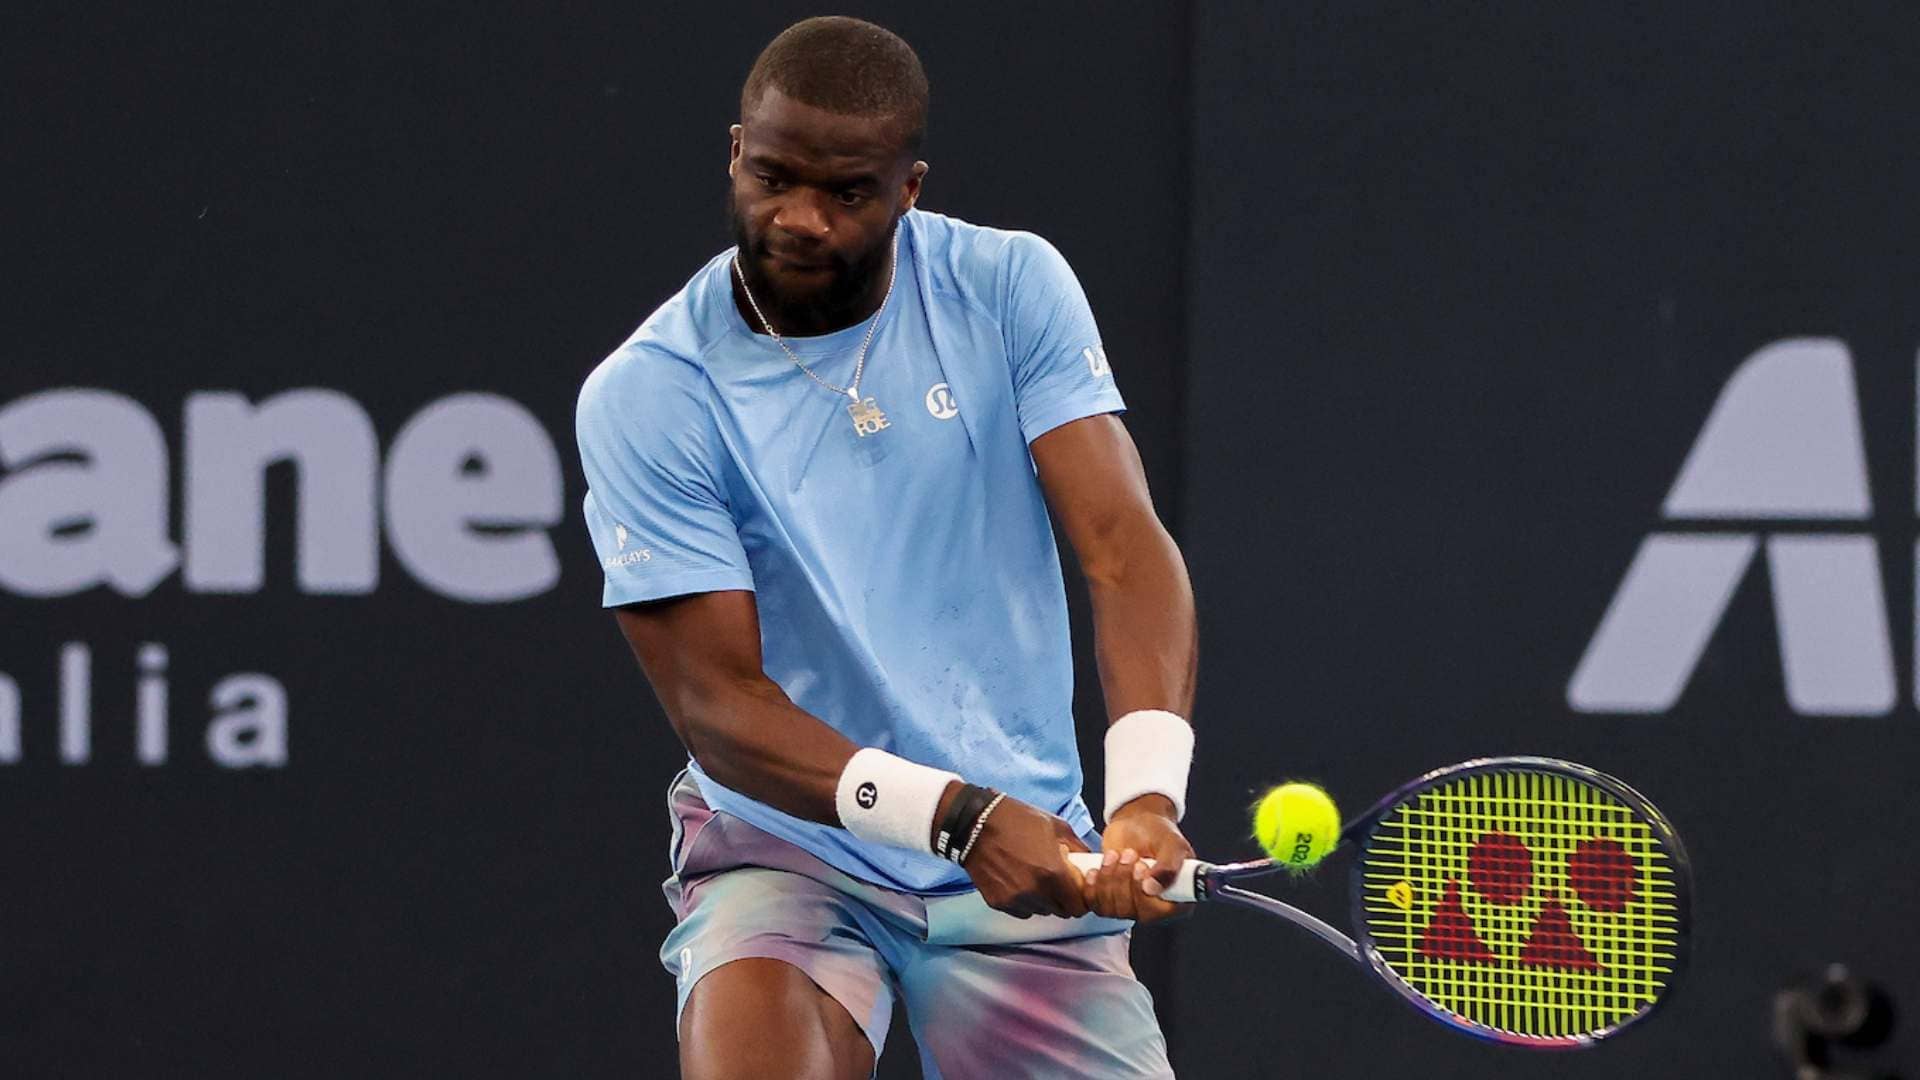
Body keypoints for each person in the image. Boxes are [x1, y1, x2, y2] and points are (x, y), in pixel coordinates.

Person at [575, 16, 1197, 1079]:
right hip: (794, 845)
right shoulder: (651, 393)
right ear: (736, 152)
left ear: (909, 189)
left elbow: (1122, 547)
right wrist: (954, 818)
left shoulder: (1007, 287)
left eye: (847, 193)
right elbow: (719, 709)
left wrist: (1144, 794)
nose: (799, 218)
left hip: (1024, 826)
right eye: (773, 178)